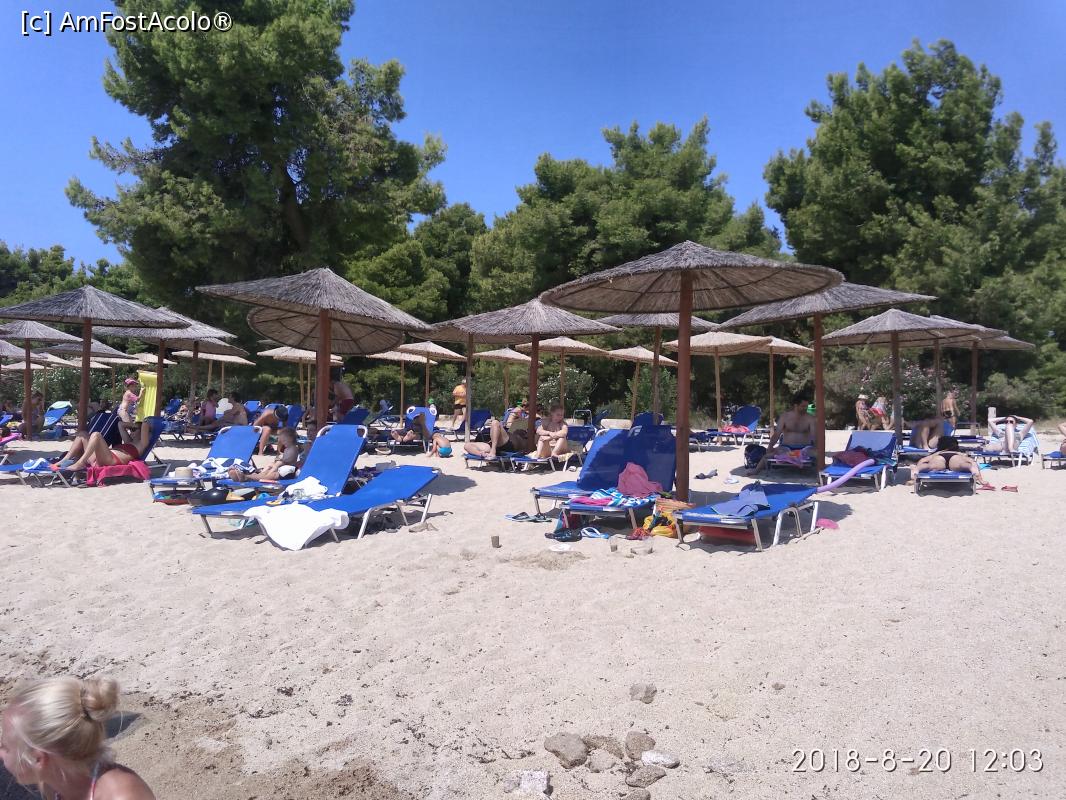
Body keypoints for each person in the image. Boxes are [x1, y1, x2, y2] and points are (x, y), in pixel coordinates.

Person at [0, 675, 156, 800]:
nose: (0, 752)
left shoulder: (122, 795)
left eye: (5, 746)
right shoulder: (53, 783)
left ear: (37, 759)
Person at [748, 392, 816, 474]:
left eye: (806, 406)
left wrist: (816, 447)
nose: (805, 408)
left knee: (816, 454)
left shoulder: (810, 418)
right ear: (796, 405)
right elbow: (777, 434)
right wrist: (770, 446)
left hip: (805, 448)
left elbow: (814, 436)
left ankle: (794, 456)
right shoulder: (785, 417)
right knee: (768, 455)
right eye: (803, 406)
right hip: (786, 447)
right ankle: (756, 471)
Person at [51, 422, 154, 471]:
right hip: (101, 457)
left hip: (111, 460)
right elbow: (120, 424)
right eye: (131, 429)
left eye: (134, 430)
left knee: (96, 435)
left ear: (142, 432)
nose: (131, 431)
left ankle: (80, 463)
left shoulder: (141, 444)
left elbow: (145, 424)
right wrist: (133, 425)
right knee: (82, 434)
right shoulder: (128, 441)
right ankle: (63, 460)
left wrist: (139, 425)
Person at [914, 436, 993, 490]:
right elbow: (971, 460)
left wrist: (918, 465)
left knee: (929, 465)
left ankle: (915, 474)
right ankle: (979, 478)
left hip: (940, 457)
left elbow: (923, 460)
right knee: (965, 465)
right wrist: (979, 475)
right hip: (955, 457)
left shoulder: (937, 453)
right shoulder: (958, 452)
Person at [227, 426, 301, 482]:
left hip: (288, 470)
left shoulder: (293, 448)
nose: (282, 442)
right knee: (270, 467)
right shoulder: (288, 448)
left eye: (284, 440)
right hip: (283, 469)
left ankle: (247, 477)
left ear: (290, 439)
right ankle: (256, 475)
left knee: (273, 473)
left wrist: (279, 462)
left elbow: (288, 460)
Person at [464, 417, 531, 459]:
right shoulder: (517, 421)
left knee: (495, 422)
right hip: (494, 444)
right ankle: (482, 454)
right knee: (467, 445)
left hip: (508, 444)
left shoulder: (528, 428)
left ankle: (493, 451)